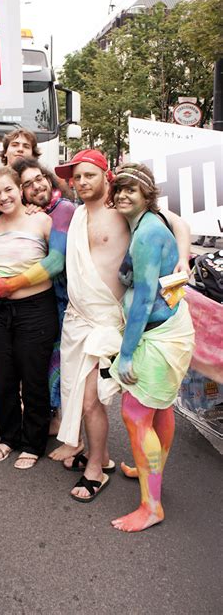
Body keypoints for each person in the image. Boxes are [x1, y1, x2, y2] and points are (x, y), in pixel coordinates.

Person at [52, 149, 191, 502]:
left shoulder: (125, 212)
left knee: (91, 400)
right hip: (77, 319)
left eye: (89, 175)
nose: (82, 182)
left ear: (106, 176)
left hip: (109, 320)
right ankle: (102, 456)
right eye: (76, 177)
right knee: (80, 396)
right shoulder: (77, 213)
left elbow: (180, 225)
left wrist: (185, 261)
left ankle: (95, 469)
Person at [107, 163, 195, 531]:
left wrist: (126, 353)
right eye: (120, 188)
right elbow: (179, 222)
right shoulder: (151, 221)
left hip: (159, 335)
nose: (124, 194)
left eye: (133, 189)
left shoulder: (146, 233)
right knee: (160, 407)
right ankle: (150, 472)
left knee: (135, 413)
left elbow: (143, 299)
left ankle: (151, 505)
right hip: (171, 330)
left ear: (147, 196)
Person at [0, 167, 58, 468]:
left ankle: (33, 442)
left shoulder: (41, 220)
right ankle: (8, 437)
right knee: (3, 377)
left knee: (33, 379)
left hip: (35, 310)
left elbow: (60, 261)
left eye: (8, 190)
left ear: (20, 189)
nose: (3, 197)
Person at [1, 157, 75, 435]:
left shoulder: (64, 208)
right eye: (27, 184)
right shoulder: (37, 212)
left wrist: (12, 285)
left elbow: (56, 262)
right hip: (46, 298)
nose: (36, 186)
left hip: (66, 299)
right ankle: (54, 414)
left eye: (39, 178)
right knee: (47, 359)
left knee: (62, 359)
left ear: (48, 177)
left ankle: (61, 420)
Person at [0, 128, 40, 418]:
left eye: (25, 145)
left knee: (29, 350)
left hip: (31, 287)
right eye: (14, 144)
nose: (19, 149)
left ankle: (27, 400)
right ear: (4, 151)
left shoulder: (36, 185)